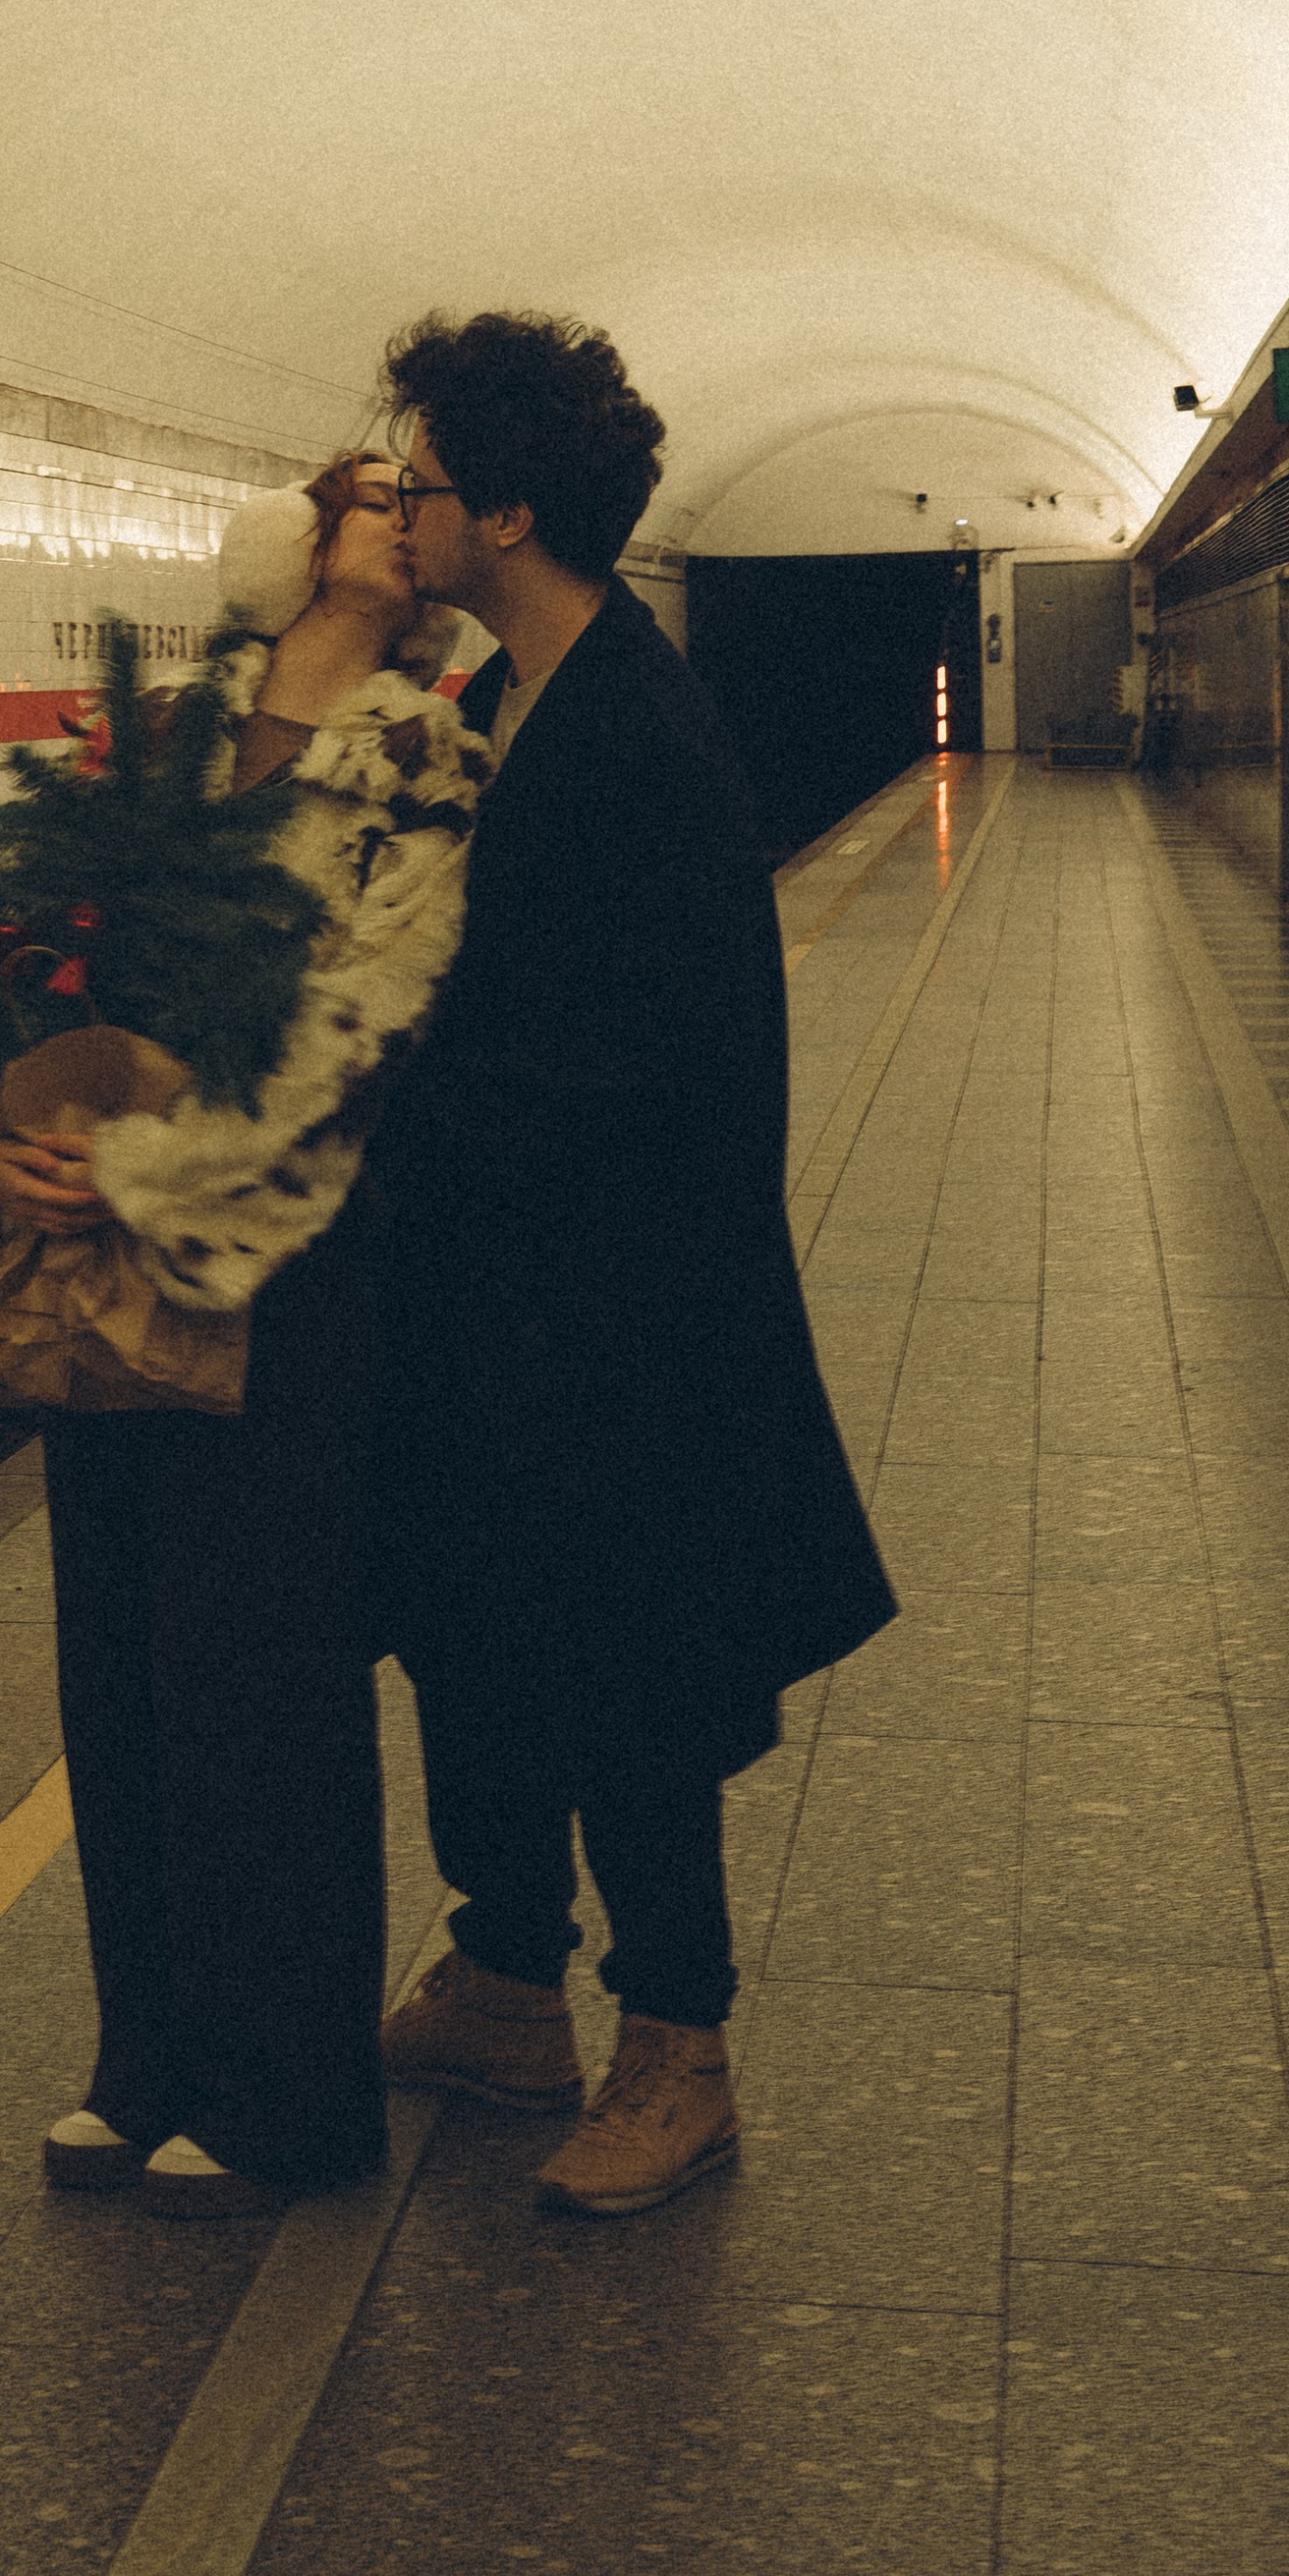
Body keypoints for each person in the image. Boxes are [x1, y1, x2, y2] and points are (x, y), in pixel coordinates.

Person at [0, 454, 493, 2216]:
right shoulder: (157, 742)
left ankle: (286, 2092)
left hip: (283, 1274)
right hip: (101, 1282)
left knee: (265, 1681)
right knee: (125, 1673)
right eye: (371, 492)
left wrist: (146, 1168)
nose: (405, 513)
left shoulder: (427, 753)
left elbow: (366, 1020)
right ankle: (145, 2057)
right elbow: (3, 966)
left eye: (422, 498)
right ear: (298, 539)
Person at [367, 312, 896, 2215]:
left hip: (618, 1313)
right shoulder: (504, 703)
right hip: (502, 1296)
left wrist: (370, 1120)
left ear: (502, 508)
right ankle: (507, 1978)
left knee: (623, 1675)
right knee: (475, 1636)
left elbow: (632, 1067)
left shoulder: (633, 738)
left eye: (416, 485)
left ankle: (680, 2049)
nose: (396, 512)